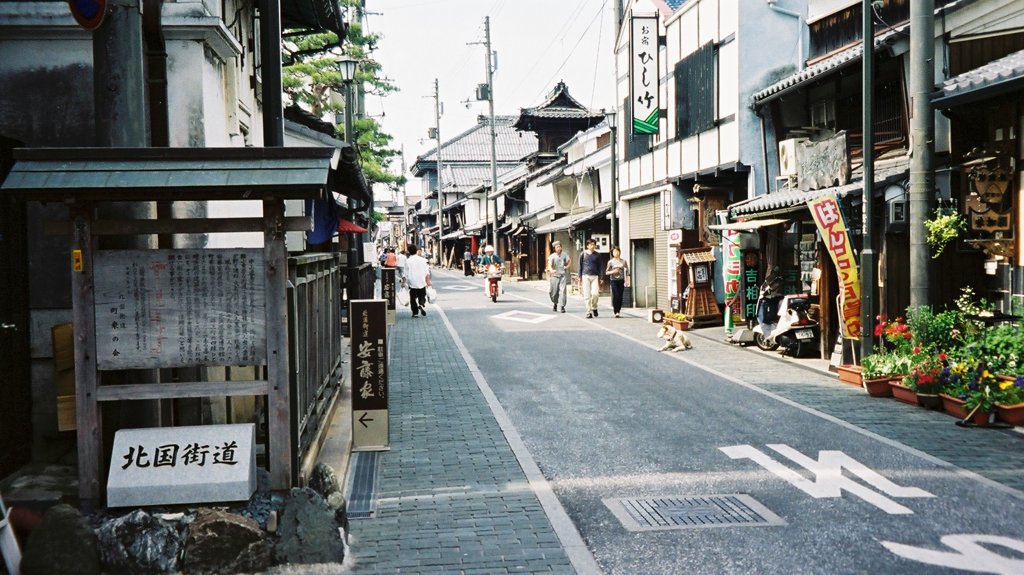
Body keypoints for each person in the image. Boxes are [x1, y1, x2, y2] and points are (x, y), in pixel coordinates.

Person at [404, 244, 431, 317]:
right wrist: (428, 281)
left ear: (409, 252)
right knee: (422, 295)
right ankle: (421, 304)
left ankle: (415, 313)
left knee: (412, 298)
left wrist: (403, 282)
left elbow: (405, 274)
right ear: (416, 251)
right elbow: (427, 272)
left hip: (412, 282)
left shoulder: (408, 261)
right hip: (421, 281)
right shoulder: (423, 260)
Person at [578, 238, 602, 318]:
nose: (593, 246)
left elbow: (600, 267)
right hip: (585, 276)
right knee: (587, 295)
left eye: (594, 244)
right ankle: (589, 311)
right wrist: (579, 277)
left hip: (595, 276)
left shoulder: (597, 255)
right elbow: (580, 266)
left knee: (595, 294)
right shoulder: (583, 254)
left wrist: (601, 277)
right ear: (587, 246)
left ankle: (594, 307)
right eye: (591, 244)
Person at [605, 245, 630, 318]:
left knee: (620, 296)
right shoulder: (610, 262)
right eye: (614, 251)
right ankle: (616, 311)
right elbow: (606, 272)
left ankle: (618, 310)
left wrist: (628, 280)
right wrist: (613, 271)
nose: (616, 253)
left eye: (617, 251)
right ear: (612, 253)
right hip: (613, 281)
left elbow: (627, 271)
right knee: (616, 295)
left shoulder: (623, 261)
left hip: (621, 280)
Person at [546, 240, 570, 313]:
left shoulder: (564, 254)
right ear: (554, 248)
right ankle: (555, 303)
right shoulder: (552, 256)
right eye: (557, 247)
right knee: (553, 292)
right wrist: (551, 270)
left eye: (559, 246)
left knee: (563, 291)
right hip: (554, 276)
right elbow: (549, 265)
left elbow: (569, 261)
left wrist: (567, 266)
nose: (559, 248)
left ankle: (562, 306)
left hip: (562, 275)